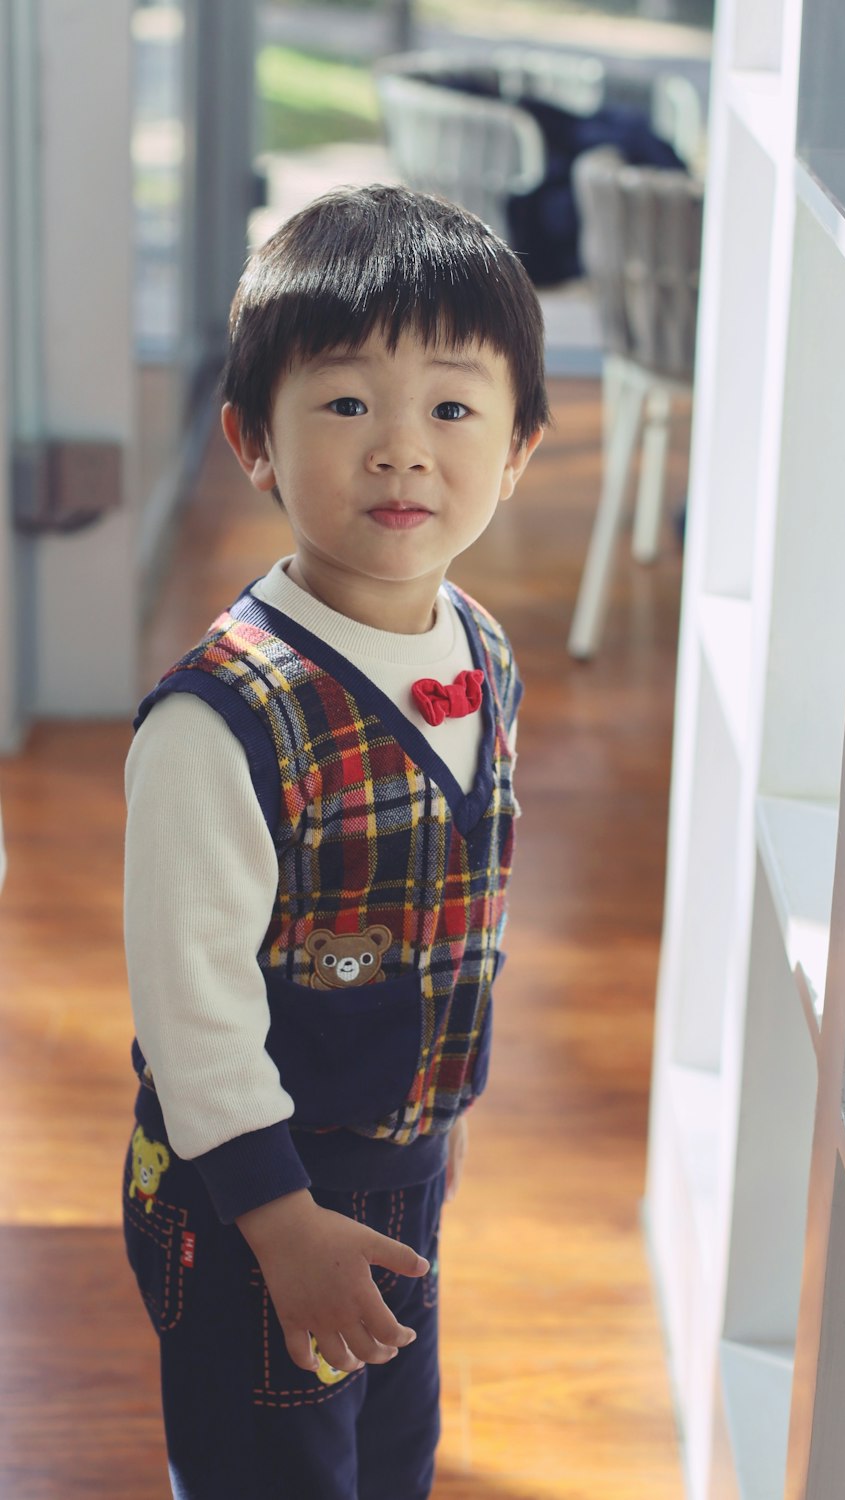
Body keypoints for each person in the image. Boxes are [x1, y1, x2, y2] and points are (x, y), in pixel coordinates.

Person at [121, 184, 547, 1500]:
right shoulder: (223, 720)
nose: (403, 451)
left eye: (454, 408)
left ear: (522, 446)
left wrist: (439, 1106)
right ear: (253, 440)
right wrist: (278, 1216)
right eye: (349, 403)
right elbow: (190, 1012)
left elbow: (455, 904)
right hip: (255, 1196)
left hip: (399, 1172)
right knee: (272, 1465)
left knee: (387, 1455)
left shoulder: (481, 650)